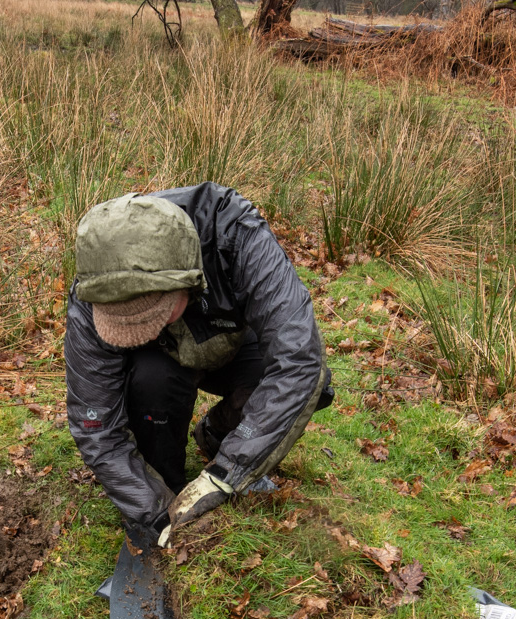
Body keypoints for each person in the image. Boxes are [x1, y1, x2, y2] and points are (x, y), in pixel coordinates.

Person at [64, 183, 332, 550]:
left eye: (150, 316)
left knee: (307, 387)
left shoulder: (233, 232)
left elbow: (298, 360)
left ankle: (219, 436)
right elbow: (95, 424)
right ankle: (168, 483)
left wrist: (228, 473)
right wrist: (154, 509)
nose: (140, 329)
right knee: (151, 380)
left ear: (187, 279)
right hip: (161, 361)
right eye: (125, 325)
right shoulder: (96, 284)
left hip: (233, 340)